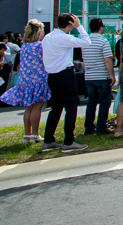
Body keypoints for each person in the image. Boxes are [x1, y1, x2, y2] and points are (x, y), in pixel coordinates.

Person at [39, 13, 91, 152]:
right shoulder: (65, 38)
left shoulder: (47, 37)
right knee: (70, 107)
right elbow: (86, 42)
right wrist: (79, 27)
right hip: (65, 75)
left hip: (52, 75)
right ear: (69, 24)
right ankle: (68, 141)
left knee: (55, 109)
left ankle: (48, 140)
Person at [0, 20, 50, 141]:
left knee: (28, 107)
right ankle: (35, 134)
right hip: (38, 78)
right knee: (37, 106)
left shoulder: (24, 46)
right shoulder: (40, 46)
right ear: (38, 32)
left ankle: (27, 134)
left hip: (25, 79)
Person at [82, 19, 115, 135]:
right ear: (101, 28)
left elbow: (84, 60)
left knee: (91, 102)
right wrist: (112, 74)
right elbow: (107, 60)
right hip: (101, 76)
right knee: (104, 102)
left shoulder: (85, 42)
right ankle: (101, 126)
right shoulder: (103, 42)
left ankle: (89, 127)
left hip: (89, 76)